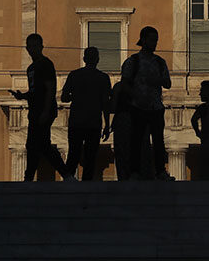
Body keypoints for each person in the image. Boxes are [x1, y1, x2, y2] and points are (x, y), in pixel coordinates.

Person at [10, 34, 73, 182]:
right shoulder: (31, 68)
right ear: (27, 48)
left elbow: (50, 89)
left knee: (38, 144)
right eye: (30, 46)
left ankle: (62, 175)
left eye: (35, 46)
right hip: (34, 110)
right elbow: (34, 91)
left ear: (41, 47)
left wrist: (45, 111)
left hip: (44, 110)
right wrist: (22, 96)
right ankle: (33, 177)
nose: (32, 49)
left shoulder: (46, 64)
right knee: (36, 144)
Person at [121, 26, 174, 181]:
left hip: (156, 107)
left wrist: (157, 80)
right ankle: (134, 172)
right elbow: (124, 84)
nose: (154, 43)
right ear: (143, 40)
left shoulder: (160, 62)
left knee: (158, 141)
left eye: (156, 40)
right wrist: (135, 97)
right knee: (136, 140)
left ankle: (160, 171)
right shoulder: (133, 61)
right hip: (138, 107)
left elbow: (168, 83)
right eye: (152, 40)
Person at [60, 47, 112, 181]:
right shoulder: (103, 78)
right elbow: (106, 104)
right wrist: (107, 125)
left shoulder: (74, 75)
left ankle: (68, 183)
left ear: (84, 59)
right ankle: (86, 186)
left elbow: (64, 97)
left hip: (76, 122)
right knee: (90, 158)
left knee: (73, 155)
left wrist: (76, 96)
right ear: (98, 60)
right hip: (94, 123)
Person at [110, 81, 132, 181]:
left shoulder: (119, 86)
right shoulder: (142, 85)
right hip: (138, 122)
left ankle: (122, 179)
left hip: (122, 120)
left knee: (121, 154)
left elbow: (113, 107)